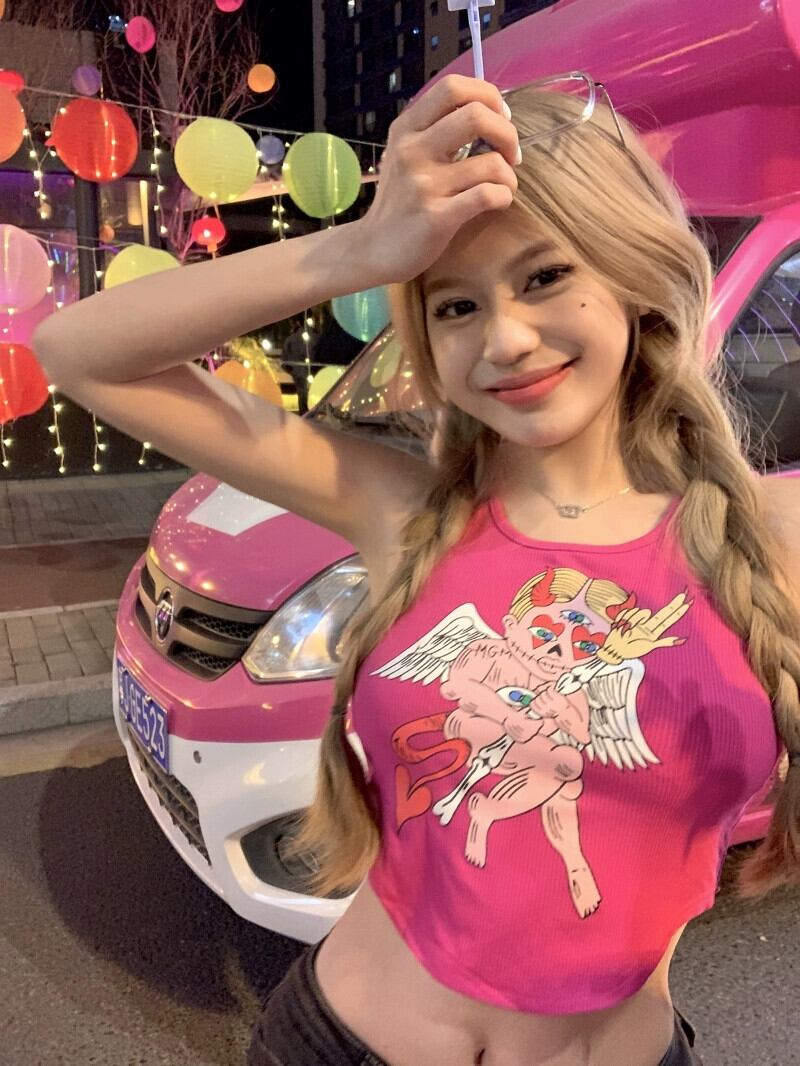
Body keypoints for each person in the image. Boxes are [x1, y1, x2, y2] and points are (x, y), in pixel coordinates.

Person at [31, 75, 800, 1066]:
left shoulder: (764, 535)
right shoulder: (401, 509)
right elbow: (79, 352)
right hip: (341, 1040)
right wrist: (360, 248)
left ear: (629, 272)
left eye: (543, 276)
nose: (505, 338)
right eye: (455, 305)